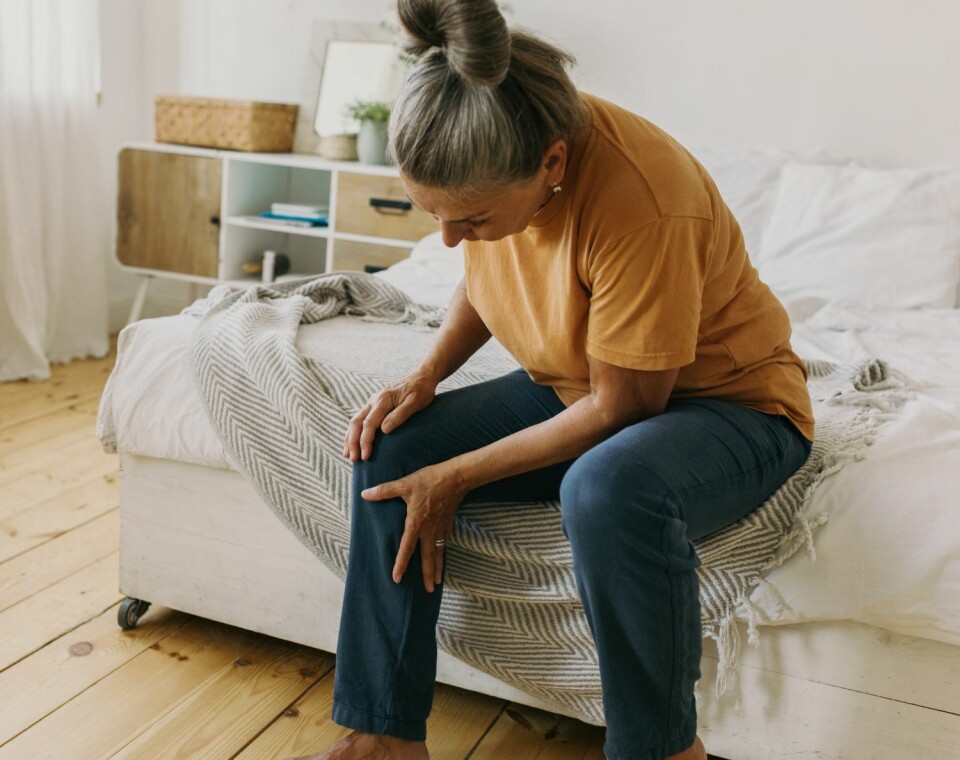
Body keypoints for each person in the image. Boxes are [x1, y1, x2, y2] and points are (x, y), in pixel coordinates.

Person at [290, 1, 814, 758]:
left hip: (728, 406)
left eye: (467, 218)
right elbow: (486, 267)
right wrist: (426, 376)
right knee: (390, 451)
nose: (448, 239)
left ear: (554, 166)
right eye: (433, 216)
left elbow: (627, 405)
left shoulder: (644, 201)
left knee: (605, 490)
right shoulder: (496, 136)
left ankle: (663, 749)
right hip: (585, 381)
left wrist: (458, 476)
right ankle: (383, 734)